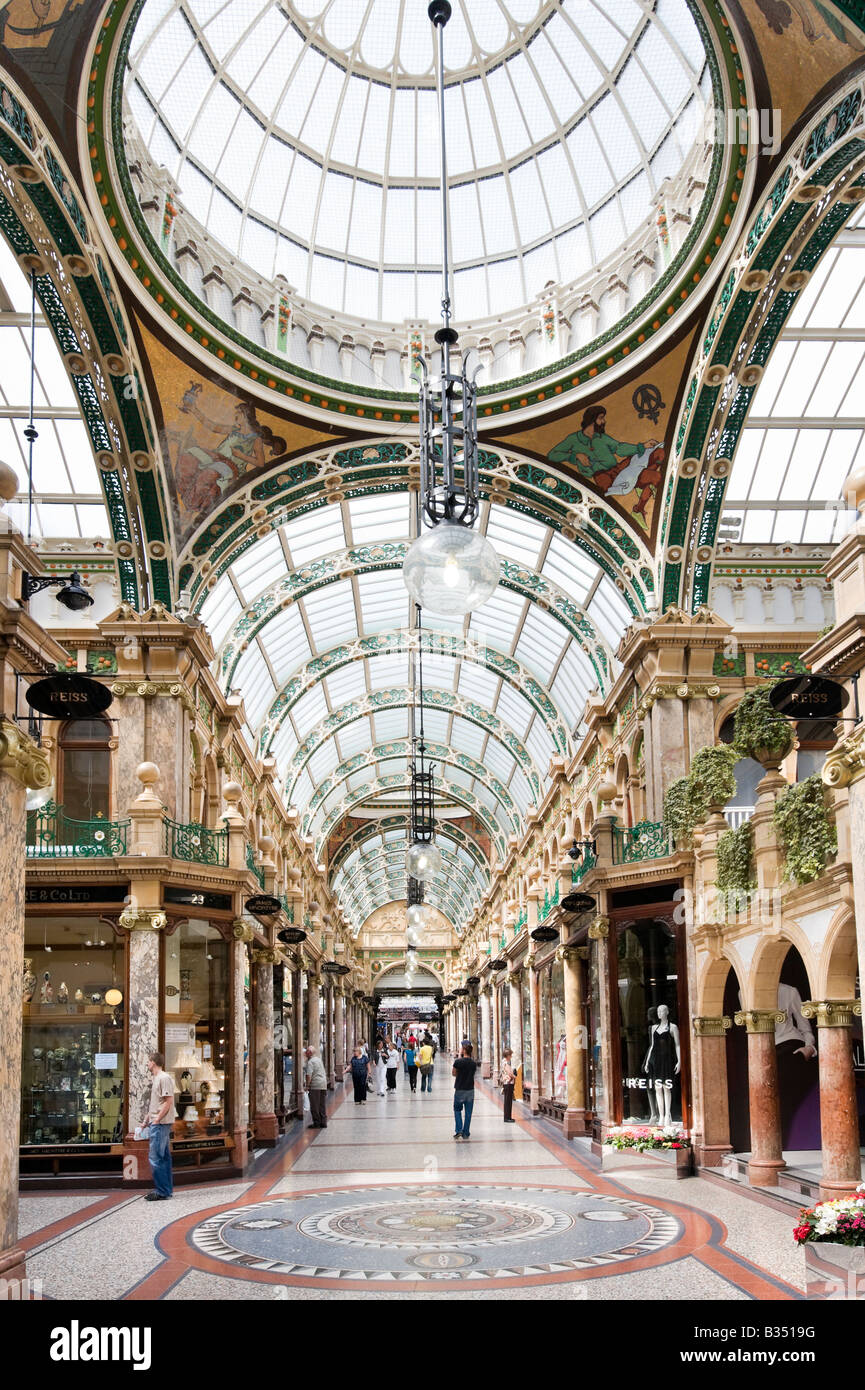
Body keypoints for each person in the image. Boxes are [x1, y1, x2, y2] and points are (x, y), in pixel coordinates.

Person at [144, 1051, 176, 1201]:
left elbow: (168, 1101)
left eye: (149, 1061)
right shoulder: (157, 1078)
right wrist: (147, 1120)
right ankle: (166, 1189)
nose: (147, 1064)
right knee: (163, 1157)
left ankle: (162, 1191)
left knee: (156, 1157)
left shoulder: (164, 1078)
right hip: (157, 1122)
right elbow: (156, 1103)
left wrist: (157, 1120)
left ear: (154, 1062)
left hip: (161, 1124)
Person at [452, 1041, 478, 1141]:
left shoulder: (458, 1062)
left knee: (457, 1110)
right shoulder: (473, 1063)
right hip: (470, 1090)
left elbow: (454, 1073)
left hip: (459, 1089)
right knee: (468, 1112)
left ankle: (459, 1129)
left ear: (463, 1050)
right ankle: (466, 1132)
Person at [304, 1046, 328, 1129]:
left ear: (310, 1053)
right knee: (322, 1104)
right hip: (323, 1084)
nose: (305, 1053)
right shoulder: (318, 1059)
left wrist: (307, 1086)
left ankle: (316, 1123)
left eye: (306, 1051)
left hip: (315, 1085)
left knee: (314, 1105)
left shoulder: (310, 1062)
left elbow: (308, 1075)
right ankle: (323, 1122)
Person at [499, 1047, 516, 1123]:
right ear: (508, 1055)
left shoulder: (503, 1062)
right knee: (508, 1101)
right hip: (508, 1083)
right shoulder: (506, 1062)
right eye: (510, 1055)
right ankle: (507, 1118)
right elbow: (509, 1073)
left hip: (506, 1083)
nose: (511, 1056)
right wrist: (514, 1076)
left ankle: (508, 1117)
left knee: (507, 1101)